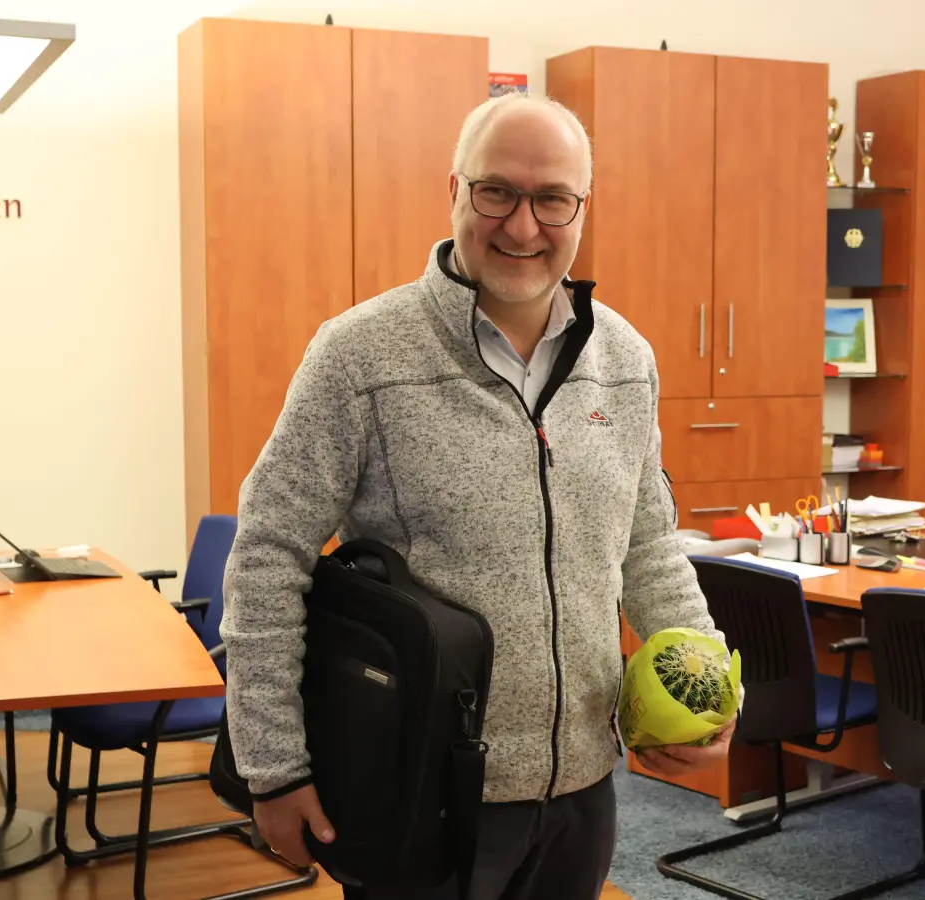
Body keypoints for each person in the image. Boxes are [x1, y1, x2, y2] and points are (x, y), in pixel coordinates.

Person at [220, 91, 736, 900]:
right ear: (453, 191)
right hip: (421, 787)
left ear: (581, 209)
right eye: (496, 191)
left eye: (551, 199)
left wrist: (707, 692)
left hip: (581, 791)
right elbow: (267, 556)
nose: (523, 227)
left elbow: (649, 546)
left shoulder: (625, 359)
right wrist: (274, 765)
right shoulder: (360, 356)